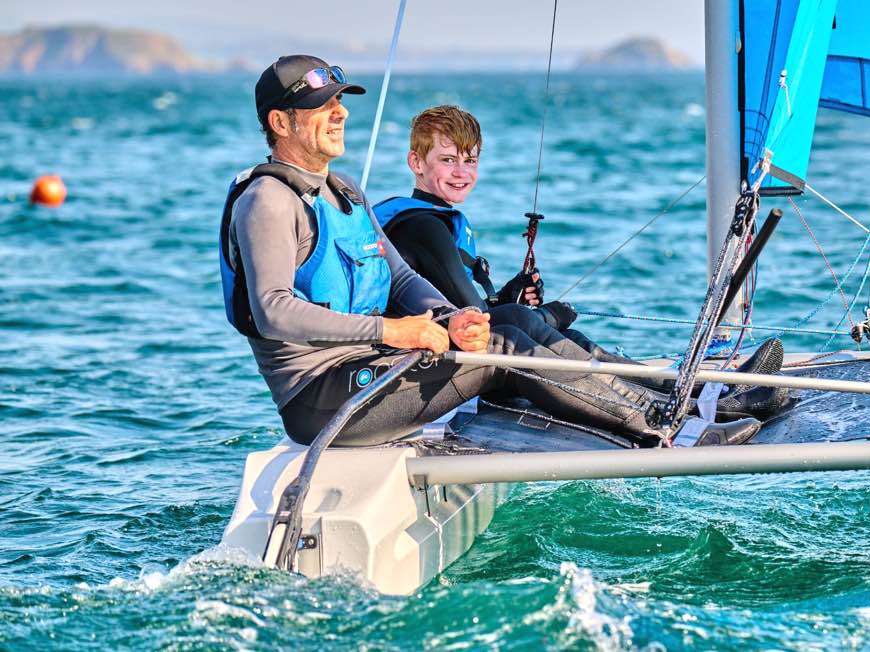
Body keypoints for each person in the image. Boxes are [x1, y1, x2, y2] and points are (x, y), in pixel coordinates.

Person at [218, 55, 762, 449]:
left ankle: (678, 408)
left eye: (338, 102)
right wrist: (397, 332)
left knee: (508, 330)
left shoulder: (345, 193)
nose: (338, 114)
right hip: (323, 398)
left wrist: (454, 319)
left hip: (372, 368)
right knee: (507, 352)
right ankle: (667, 432)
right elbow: (272, 309)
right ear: (280, 123)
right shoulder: (268, 200)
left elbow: (402, 278)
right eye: (320, 106)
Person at [374, 104, 790, 421]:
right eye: (448, 160)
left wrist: (508, 295)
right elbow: (479, 326)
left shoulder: (429, 219)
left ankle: (700, 392)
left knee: (553, 332)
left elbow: (460, 304)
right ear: (417, 163)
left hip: (462, 350)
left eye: (470, 160)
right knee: (535, 326)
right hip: (437, 373)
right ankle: (693, 406)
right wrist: (548, 315)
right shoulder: (422, 226)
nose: (461, 172)